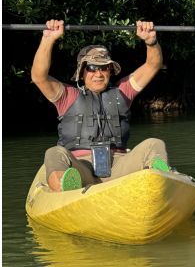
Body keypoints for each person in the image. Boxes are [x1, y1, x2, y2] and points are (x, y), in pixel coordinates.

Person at [31, 19, 171, 192]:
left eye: (104, 68)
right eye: (91, 67)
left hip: (119, 166)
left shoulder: (123, 91)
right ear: (82, 72)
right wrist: (48, 39)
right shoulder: (67, 96)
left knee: (154, 144)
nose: (98, 73)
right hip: (82, 167)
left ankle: (157, 183)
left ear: (110, 71)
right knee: (54, 153)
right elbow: (39, 77)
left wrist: (151, 41)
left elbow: (153, 65)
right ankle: (64, 190)